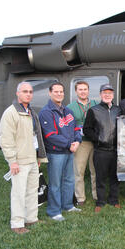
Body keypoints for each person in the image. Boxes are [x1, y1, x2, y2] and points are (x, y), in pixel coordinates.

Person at [0, 82, 48, 234]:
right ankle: (17, 223)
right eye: (25, 91)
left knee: (33, 190)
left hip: (32, 158)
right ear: (17, 93)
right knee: (18, 193)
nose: (28, 94)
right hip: (19, 160)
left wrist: (39, 157)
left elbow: (35, 136)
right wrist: (12, 161)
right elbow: (6, 140)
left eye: (30, 92)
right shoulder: (11, 113)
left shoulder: (31, 112)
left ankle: (31, 218)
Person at [39, 82, 82, 221]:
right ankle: (54, 211)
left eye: (61, 91)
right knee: (55, 183)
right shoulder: (46, 112)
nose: (59, 94)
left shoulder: (68, 110)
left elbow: (76, 128)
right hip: (56, 153)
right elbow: (50, 135)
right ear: (50, 93)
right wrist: (69, 144)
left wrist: (77, 141)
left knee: (69, 180)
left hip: (69, 151)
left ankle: (68, 205)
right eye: (56, 92)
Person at [83, 84, 121, 213]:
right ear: (100, 94)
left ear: (113, 95)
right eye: (105, 93)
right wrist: (98, 139)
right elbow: (86, 129)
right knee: (100, 177)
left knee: (115, 177)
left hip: (116, 150)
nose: (107, 95)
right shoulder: (93, 110)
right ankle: (100, 201)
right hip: (100, 150)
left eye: (110, 93)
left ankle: (114, 200)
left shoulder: (118, 110)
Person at [67, 81, 98, 206]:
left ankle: (96, 195)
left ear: (88, 91)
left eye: (85, 89)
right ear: (76, 91)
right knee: (79, 171)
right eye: (80, 89)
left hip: (95, 142)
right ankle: (80, 198)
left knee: (95, 171)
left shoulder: (95, 104)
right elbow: (68, 126)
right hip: (81, 142)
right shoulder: (70, 107)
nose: (83, 91)